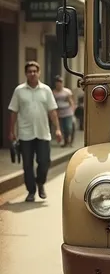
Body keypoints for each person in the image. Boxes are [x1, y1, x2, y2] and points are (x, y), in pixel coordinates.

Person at [8, 61, 62, 202]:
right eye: (29, 71)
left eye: (34, 71)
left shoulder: (46, 90)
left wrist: (57, 129)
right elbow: (13, 112)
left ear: (39, 73)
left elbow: (52, 111)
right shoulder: (19, 90)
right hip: (25, 134)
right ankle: (31, 191)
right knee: (27, 165)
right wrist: (11, 131)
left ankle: (41, 183)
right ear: (26, 73)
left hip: (43, 133)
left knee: (44, 162)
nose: (32, 74)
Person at [52, 75, 75, 146]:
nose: (59, 84)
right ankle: (65, 141)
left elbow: (71, 101)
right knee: (62, 128)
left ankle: (69, 141)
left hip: (68, 111)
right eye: (57, 83)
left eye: (60, 82)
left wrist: (72, 110)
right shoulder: (54, 93)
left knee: (68, 127)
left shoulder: (67, 92)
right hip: (59, 112)